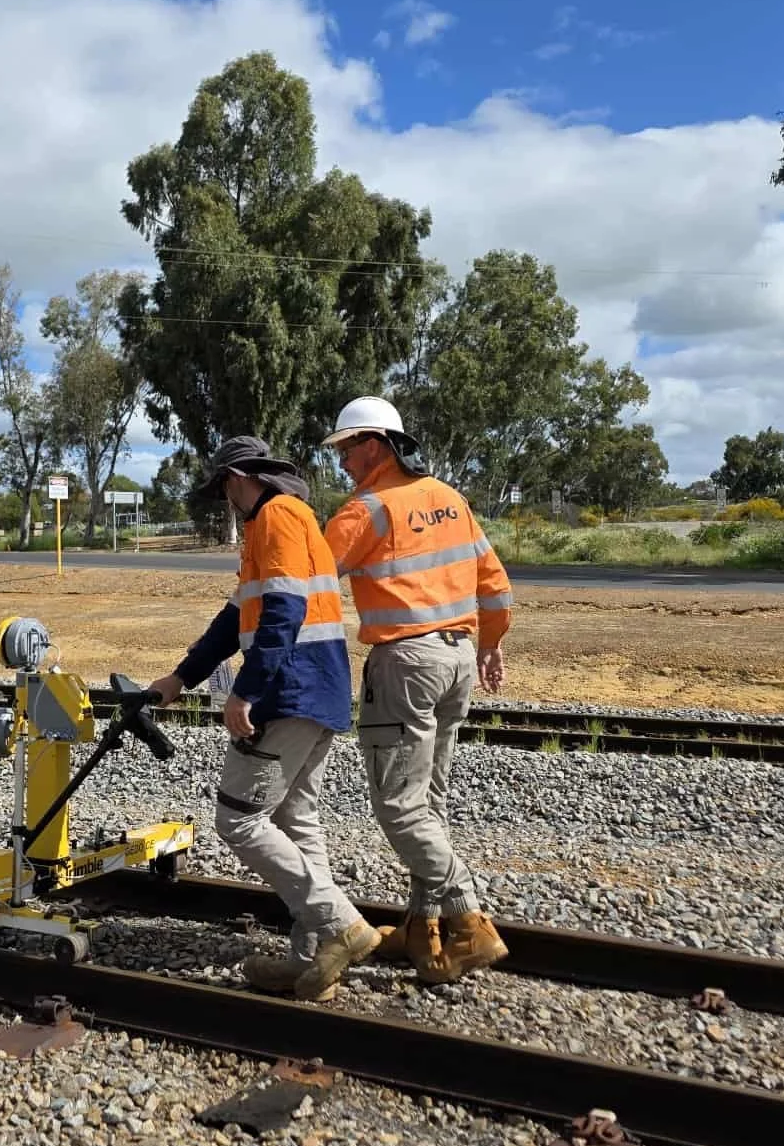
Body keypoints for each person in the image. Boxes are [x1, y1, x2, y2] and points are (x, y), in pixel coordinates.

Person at [148, 437, 380, 1002]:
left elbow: (283, 612)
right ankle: (313, 959)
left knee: (240, 820)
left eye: (224, 486)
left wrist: (245, 693)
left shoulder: (276, 515)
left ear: (238, 477)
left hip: (288, 689)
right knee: (298, 819)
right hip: (318, 691)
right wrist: (181, 678)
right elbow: (234, 620)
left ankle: (342, 925)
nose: (225, 498)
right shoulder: (278, 523)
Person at [322, 397, 513, 986]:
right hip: (458, 659)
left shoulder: (365, 510)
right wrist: (489, 642)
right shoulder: (451, 500)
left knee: (399, 807)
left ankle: (468, 918)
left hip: (405, 661)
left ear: (376, 446)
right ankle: (422, 927)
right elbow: (496, 584)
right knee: (429, 801)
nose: (344, 463)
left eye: (347, 450)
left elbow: (307, 582)